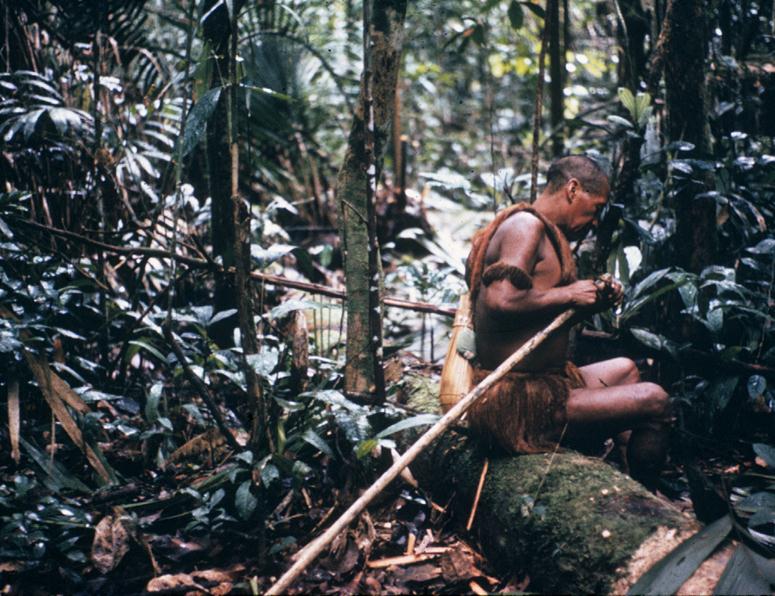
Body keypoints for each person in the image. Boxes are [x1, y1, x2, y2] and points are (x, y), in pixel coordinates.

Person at [464, 155, 671, 488]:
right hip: (519, 404)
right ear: (573, 189)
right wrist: (571, 294)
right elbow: (500, 300)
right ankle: (649, 496)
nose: (593, 222)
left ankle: (622, 467)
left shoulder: (543, 232)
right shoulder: (525, 226)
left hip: (546, 385)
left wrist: (592, 298)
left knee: (626, 370)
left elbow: (535, 308)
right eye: (594, 208)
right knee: (656, 401)